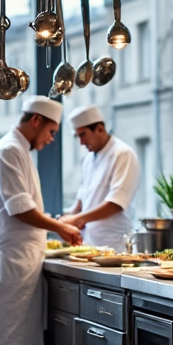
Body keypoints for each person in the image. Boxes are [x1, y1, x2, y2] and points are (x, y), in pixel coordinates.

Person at [0, 96, 82, 345]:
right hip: (11, 264)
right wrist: (60, 226)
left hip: (22, 263)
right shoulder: (9, 151)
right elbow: (20, 208)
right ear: (36, 120)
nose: (51, 139)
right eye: (51, 132)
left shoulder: (19, 150)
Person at [59, 105, 141, 249]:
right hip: (87, 244)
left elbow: (116, 204)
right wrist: (62, 221)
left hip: (115, 245)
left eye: (83, 135)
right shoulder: (87, 160)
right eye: (78, 136)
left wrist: (75, 219)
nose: (81, 142)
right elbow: (81, 202)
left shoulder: (123, 154)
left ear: (100, 129)